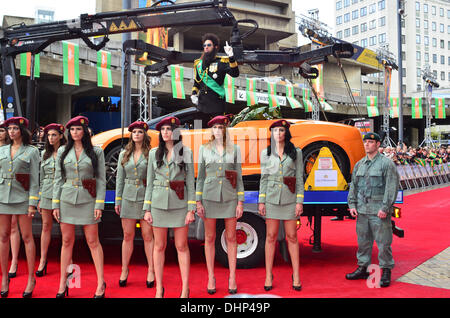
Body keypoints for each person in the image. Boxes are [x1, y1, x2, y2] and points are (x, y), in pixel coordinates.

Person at [52, 116, 107, 298]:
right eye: (72, 130)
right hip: (66, 200)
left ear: (85, 131)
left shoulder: (96, 152)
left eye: (78, 129)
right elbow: (58, 179)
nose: (75, 132)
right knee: (67, 242)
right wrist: (55, 204)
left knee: (93, 241)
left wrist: (99, 203)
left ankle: (100, 283)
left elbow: (100, 179)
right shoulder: (62, 151)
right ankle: (63, 282)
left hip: (89, 200)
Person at [143, 116, 196, 298]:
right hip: (158, 203)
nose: (166, 133)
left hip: (180, 204)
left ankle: (185, 288)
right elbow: (149, 182)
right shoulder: (153, 154)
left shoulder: (185, 152)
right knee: (159, 246)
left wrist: (191, 209)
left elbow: (190, 181)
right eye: (163, 130)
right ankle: (159, 288)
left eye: (169, 129)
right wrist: (147, 209)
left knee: (181, 246)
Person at [196, 115, 244, 295]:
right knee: (209, 238)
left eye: (221, 127)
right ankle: (211, 277)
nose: (218, 130)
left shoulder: (235, 149)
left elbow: (238, 177)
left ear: (225, 130)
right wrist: (198, 201)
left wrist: (240, 202)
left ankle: (232, 276)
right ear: (211, 130)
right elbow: (200, 177)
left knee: (231, 238)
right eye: (215, 127)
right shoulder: (204, 149)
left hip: (230, 197)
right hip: (209, 197)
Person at [346, 132, 400, 287]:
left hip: (379, 211)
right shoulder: (360, 164)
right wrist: (352, 204)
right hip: (362, 210)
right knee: (363, 242)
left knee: (383, 243)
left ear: (378, 145)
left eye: (370, 142)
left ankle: (386, 270)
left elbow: (391, 188)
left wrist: (385, 207)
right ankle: (363, 268)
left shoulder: (386, 164)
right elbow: (353, 186)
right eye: (366, 142)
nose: (367, 144)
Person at [258, 120, 304, 292]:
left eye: (281, 130)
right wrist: (261, 201)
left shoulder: (296, 152)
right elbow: (263, 178)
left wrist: (299, 201)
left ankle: (296, 274)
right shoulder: (266, 153)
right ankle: (269, 274)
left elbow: (299, 177)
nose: (278, 133)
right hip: (271, 198)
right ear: (272, 134)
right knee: (270, 236)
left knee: (292, 236)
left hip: (290, 198)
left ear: (286, 133)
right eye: (275, 130)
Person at [0, 117, 40, 298]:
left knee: (26, 237)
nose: (11, 132)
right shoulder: (2, 150)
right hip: (2, 197)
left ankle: (31, 278)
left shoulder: (31, 151)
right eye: (9, 129)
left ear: (22, 131)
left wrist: (32, 203)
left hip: (23, 197)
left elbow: (34, 178)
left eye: (15, 128)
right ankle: (4, 279)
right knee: (3, 237)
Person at [115, 121, 155, 288]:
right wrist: (118, 199)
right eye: (134, 132)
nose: (137, 134)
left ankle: (151, 270)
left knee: (147, 236)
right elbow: (119, 178)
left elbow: (153, 179)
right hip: (128, 197)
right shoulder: (124, 154)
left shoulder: (151, 153)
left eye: (140, 132)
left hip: (145, 196)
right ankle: (124, 269)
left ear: (145, 134)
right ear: (131, 135)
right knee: (127, 236)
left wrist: (149, 203)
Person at [36, 123, 67, 277]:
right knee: (46, 226)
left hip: (63, 192)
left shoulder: (67, 152)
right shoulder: (44, 154)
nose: (50, 138)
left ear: (61, 136)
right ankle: (43, 259)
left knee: (65, 229)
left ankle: (68, 260)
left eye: (54, 135)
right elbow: (41, 177)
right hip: (47, 191)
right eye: (48, 135)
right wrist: (40, 197)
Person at [191, 33, 239, 117]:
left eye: (209, 45)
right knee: (197, 127)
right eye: (204, 45)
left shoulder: (221, 62)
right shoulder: (198, 64)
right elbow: (196, 83)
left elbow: (235, 74)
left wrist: (231, 56)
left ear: (215, 47)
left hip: (216, 105)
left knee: (217, 129)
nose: (206, 47)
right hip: (201, 105)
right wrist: (194, 94)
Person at [0, 123, 20, 280]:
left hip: (12, 191)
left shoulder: (13, 147)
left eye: (2, 130)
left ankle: (14, 261)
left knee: (12, 227)